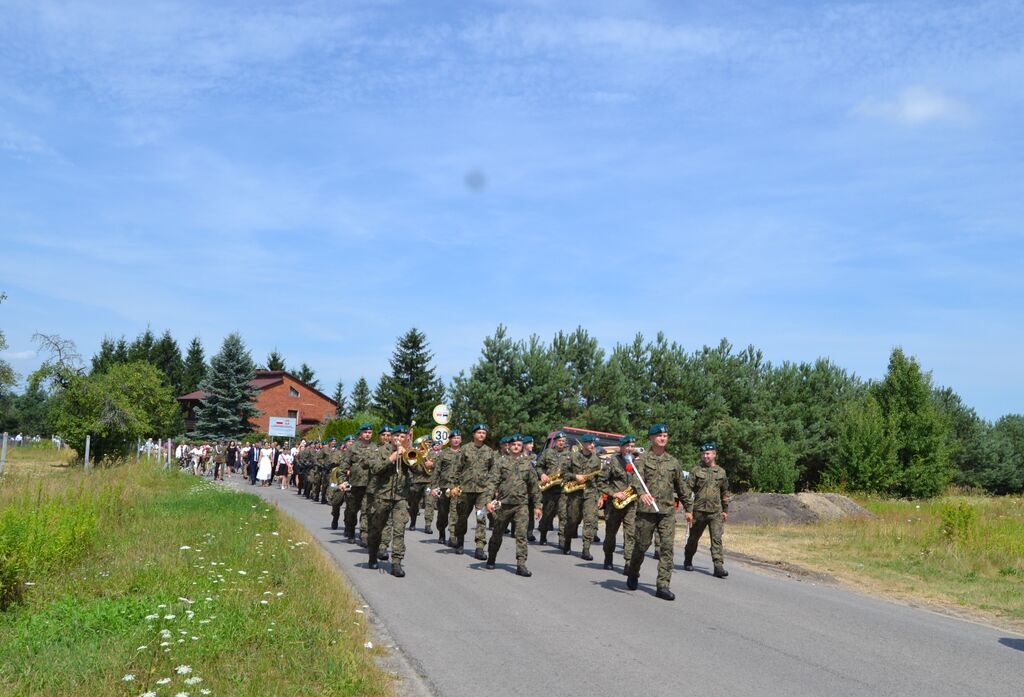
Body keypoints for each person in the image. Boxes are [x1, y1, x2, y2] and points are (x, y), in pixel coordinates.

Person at [625, 424, 687, 601]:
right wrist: (642, 492)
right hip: (646, 511)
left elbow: (681, 486)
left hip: (667, 511)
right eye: (659, 435)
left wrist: (689, 509)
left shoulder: (673, 462)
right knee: (641, 546)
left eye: (666, 435)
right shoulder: (643, 460)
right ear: (651, 438)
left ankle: (663, 585)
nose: (663, 438)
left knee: (666, 548)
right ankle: (633, 572)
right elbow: (636, 478)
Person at [483, 434, 542, 577]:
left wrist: (537, 505)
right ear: (508, 446)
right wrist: (487, 501)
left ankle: (521, 565)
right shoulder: (501, 463)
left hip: (521, 505)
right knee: (497, 533)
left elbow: (534, 486)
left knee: (521, 535)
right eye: (513, 444)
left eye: (519, 445)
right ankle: (491, 557)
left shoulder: (527, 464)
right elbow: (492, 482)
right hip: (503, 504)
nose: (516, 447)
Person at [366, 426, 413, 577]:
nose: (399, 439)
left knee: (399, 531)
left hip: (401, 497)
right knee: (376, 529)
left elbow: (419, 470)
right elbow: (374, 469)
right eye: (397, 436)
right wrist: (392, 458)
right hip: (382, 496)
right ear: (391, 437)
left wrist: (413, 460)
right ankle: (373, 555)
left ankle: (396, 563)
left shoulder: (407, 452)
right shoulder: (380, 451)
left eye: (402, 437)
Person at [683, 442, 731, 578]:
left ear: (714, 454)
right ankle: (688, 559)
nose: (705, 456)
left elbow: (725, 492)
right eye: (703, 454)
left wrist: (725, 510)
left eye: (708, 453)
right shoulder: (696, 470)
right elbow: (687, 490)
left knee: (716, 539)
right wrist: (688, 509)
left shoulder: (721, 472)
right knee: (693, 539)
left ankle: (718, 566)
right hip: (698, 511)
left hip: (715, 512)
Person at [452, 423, 496, 559]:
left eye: (484, 433)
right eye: (479, 432)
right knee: (462, 518)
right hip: (465, 489)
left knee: (481, 518)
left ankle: (480, 547)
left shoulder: (489, 452)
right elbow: (457, 470)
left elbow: (493, 472)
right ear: (474, 434)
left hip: (482, 491)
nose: (482, 435)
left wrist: (492, 489)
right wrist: (454, 485)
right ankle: (460, 541)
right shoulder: (465, 449)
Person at [561, 433, 604, 560]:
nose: (592, 445)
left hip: (590, 493)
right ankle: (567, 542)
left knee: (589, 521)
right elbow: (563, 473)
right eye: (590, 443)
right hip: (575, 493)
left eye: (593, 443)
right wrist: (575, 476)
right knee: (572, 520)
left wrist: (600, 496)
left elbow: (599, 480)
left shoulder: (596, 459)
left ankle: (586, 549)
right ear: (584, 444)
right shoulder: (573, 456)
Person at [600, 435, 639, 572]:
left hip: (632, 504)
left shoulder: (637, 462)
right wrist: (614, 493)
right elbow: (601, 482)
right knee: (611, 533)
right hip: (615, 504)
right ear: (621, 447)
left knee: (631, 533)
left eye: (632, 446)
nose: (630, 448)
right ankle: (608, 557)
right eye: (627, 446)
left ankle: (628, 563)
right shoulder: (612, 461)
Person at [536, 431, 571, 547]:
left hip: (562, 489)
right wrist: (542, 475)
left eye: (563, 441)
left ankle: (562, 539)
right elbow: (539, 466)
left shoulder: (569, 455)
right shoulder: (547, 453)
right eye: (559, 441)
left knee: (563, 515)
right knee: (547, 513)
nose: (561, 443)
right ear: (555, 441)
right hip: (549, 489)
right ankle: (543, 535)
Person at [343, 424, 376, 546]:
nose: (368, 434)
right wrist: (342, 481)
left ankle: (364, 535)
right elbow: (344, 465)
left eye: (370, 432)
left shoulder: (375, 447)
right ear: (361, 434)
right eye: (365, 432)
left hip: (370, 484)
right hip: (355, 484)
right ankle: (351, 531)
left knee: (366, 511)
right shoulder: (353, 448)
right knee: (352, 510)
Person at [430, 430, 462, 546]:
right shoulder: (443, 453)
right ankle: (442, 533)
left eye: (458, 438)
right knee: (443, 512)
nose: (456, 440)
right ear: (450, 440)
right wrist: (434, 487)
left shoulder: (464, 453)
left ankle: (452, 536)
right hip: (444, 487)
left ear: (461, 440)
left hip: (458, 488)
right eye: (454, 438)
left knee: (455, 512)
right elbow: (436, 471)